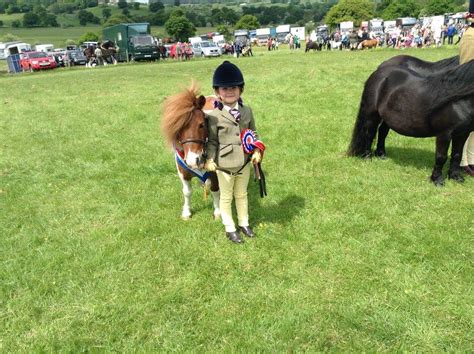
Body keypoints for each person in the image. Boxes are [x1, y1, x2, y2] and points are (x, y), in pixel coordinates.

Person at [204, 61, 265, 244]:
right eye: (224, 88)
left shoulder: (247, 111)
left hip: (245, 162)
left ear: (241, 89)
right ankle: (229, 227)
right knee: (226, 196)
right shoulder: (214, 115)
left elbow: (253, 133)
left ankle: (244, 223)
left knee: (242, 194)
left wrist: (256, 150)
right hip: (225, 165)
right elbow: (213, 141)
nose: (229, 91)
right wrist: (209, 159)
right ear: (217, 92)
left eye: (234, 87)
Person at [459, 6, 474, 176]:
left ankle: (471, 159)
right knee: (466, 127)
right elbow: (469, 65)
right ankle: (463, 161)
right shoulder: (471, 36)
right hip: (470, 84)